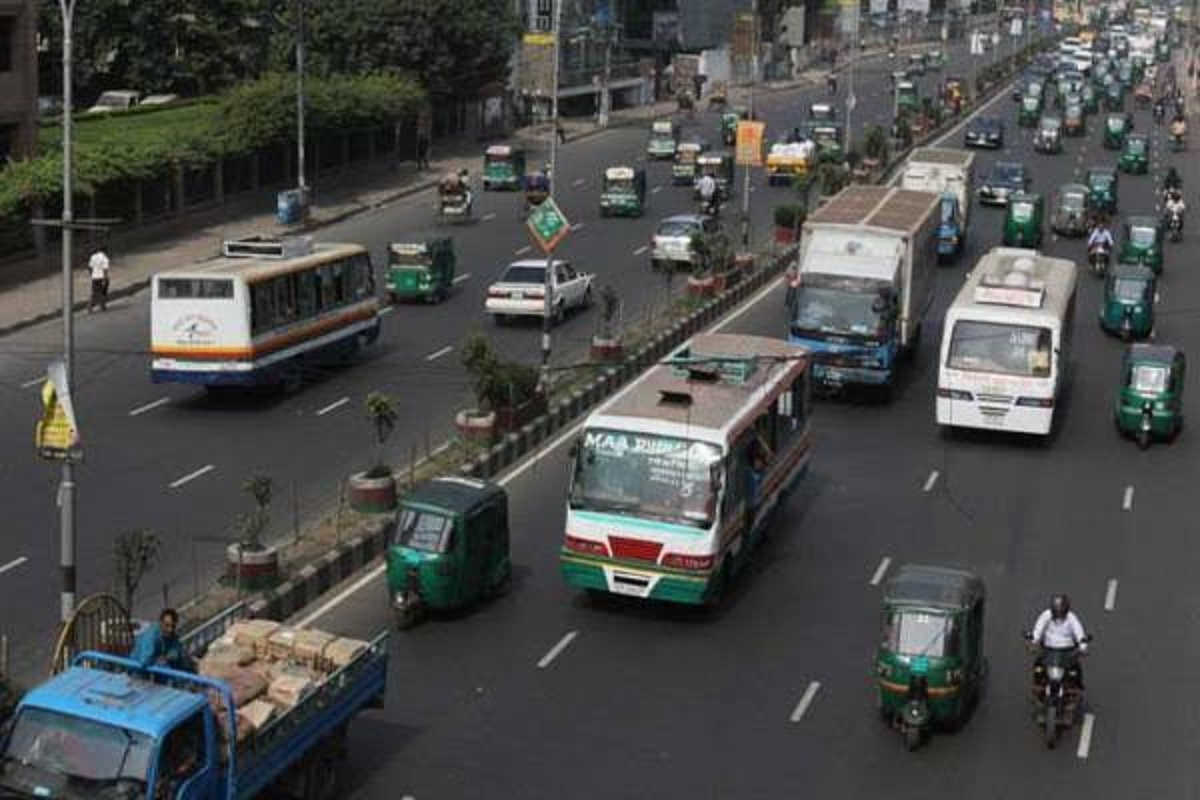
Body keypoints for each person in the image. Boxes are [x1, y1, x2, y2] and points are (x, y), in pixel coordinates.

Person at [1029, 594, 1088, 685]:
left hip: (1067, 651)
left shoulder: (1072, 618)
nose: (1059, 614)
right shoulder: (1046, 615)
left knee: (1075, 669)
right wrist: (1034, 642)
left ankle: (1077, 686)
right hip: (1048, 649)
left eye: (1061, 612)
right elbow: (1038, 630)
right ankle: (1038, 685)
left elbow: (1079, 633)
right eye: (1056, 611)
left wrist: (1083, 647)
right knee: (1038, 667)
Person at [131, 608, 194, 672]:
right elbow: (144, 660)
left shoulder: (172, 635)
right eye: (167, 625)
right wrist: (158, 660)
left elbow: (177, 649)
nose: (170, 630)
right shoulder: (151, 636)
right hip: (138, 671)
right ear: (161, 623)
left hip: (156, 669)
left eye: (173, 626)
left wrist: (167, 657)